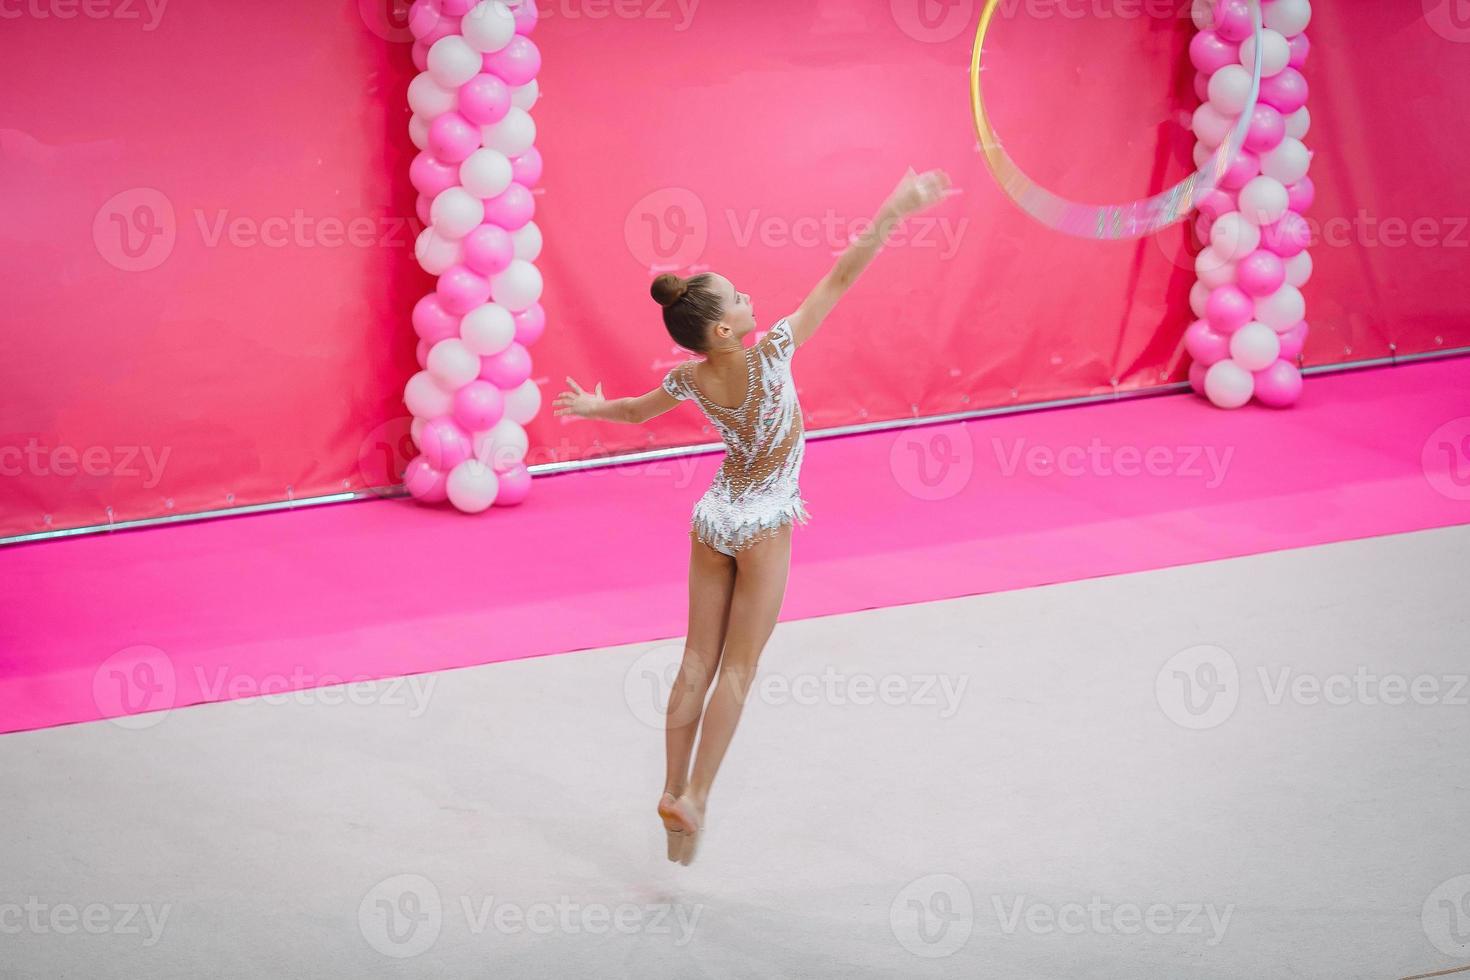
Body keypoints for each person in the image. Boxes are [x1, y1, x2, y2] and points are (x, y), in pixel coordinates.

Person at [554, 168, 952, 864]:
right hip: (764, 518)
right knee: (737, 667)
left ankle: (672, 786)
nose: (750, 297)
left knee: (694, 660)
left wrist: (594, 408)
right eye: (738, 297)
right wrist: (893, 210)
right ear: (722, 327)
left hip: (715, 515)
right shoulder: (772, 353)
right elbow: (840, 278)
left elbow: (635, 412)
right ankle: (697, 796)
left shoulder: (690, 377)